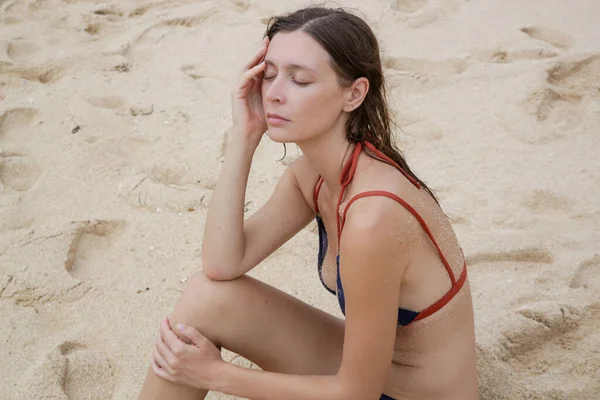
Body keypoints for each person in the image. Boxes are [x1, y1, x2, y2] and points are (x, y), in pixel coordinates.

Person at [138, 5, 478, 400]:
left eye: (299, 80)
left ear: (354, 93)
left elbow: (357, 392)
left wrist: (214, 374)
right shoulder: (312, 178)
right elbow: (222, 263)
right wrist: (243, 136)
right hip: (384, 370)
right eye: (268, 75)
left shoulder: (374, 217)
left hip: (406, 393)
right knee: (205, 297)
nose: (274, 94)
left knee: (195, 347)